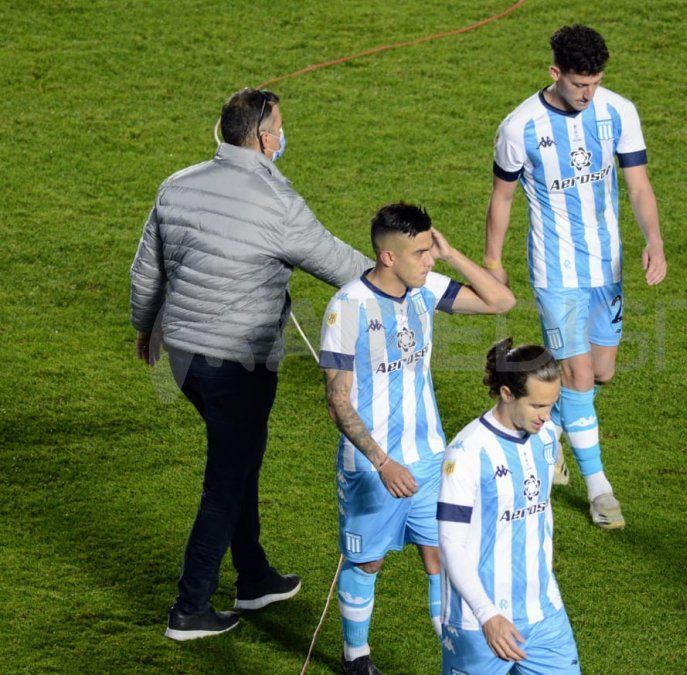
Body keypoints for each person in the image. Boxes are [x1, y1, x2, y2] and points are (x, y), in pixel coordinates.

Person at [129, 87, 372, 641]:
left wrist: (145, 328)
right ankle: (189, 608)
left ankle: (254, 577)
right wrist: (405, 278)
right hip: (240, 364)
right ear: (265, 139)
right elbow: (339, 263)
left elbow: (146, 272)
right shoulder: (276, 204)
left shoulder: (177, 185)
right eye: (281, 127)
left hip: (186, 359)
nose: (284, 135)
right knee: (227, 478)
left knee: (239, 460)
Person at [483, 24, 668, 529]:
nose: (589, 94)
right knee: (579, 375)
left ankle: (545, 438)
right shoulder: (519, 127)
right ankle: (600, 491)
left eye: (596, 83)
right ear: (555, 73)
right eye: (579, 84)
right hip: (555, 273)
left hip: (605, 271)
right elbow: (502, 198)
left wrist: (654, 240)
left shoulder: (618, 112)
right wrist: (493, 262)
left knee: (600, 371)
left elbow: (639, 186)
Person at [320, 203, 515, 674]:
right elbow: (337, 400)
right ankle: (356, 658)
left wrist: (451, 256)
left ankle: (456, 652)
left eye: (431, 250)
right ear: (389, 257)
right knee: (368, 563)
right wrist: (383, 462)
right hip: (373, 469)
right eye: (421, 252)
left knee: (446, 555)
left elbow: (500, 302)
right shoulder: (346, 308)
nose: (428, 259)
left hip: (430, 460)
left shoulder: (426, 288)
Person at [437, 338, 579, 674]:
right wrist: (487, 615)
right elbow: (450, 543)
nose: (546, 417)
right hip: (479, 621)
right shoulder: (467, 453)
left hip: (544, 613)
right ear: (506, 394)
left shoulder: (545, 437)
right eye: (537, 406)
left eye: (551, 405)